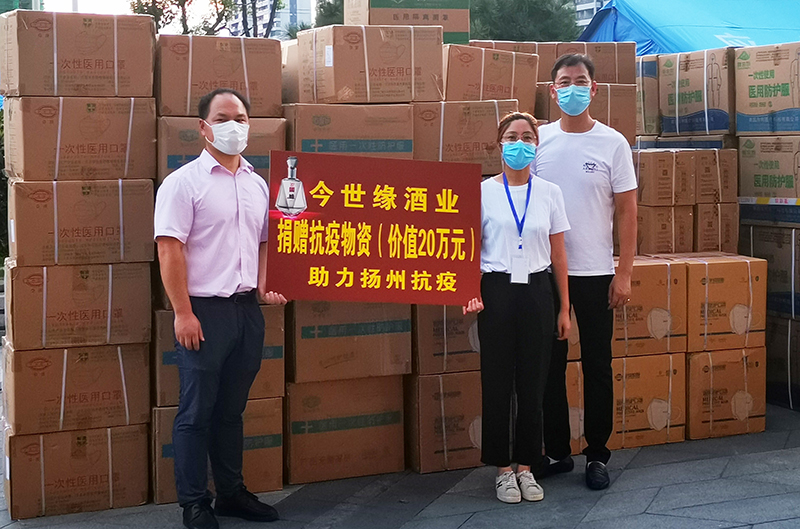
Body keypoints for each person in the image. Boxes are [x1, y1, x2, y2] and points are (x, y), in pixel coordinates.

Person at [155, 88, 287, 529]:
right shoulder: (183, 183)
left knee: (231, 411)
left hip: (246, 312)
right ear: (203, 127)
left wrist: (266, 285)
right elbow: (169, 249)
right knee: (196, 413)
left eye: (241, 119)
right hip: (203, 313)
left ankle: (231, 493)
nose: (234, 126)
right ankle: (195, 502)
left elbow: (264, 242)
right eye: (223, 118)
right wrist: (183, 312)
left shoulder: (257, 184)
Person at [535, 54, 638, 490]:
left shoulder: (612, 143)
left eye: (581, 81)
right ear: (552, 90)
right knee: (549, 367)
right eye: (564, 82)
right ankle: (557, 452)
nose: (572, 89)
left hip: (596, 272)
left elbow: (628, 211)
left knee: (597, 364)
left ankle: (597, 454)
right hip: (545, 272)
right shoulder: (538, 140)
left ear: (593, 89)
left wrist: (624, 273)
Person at [464, 112, 571, 504]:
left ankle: (527, 466)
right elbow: (468, 247)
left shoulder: (550, 192)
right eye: (512, 137)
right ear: (499, 145)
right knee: (496, 382)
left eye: (527, 137)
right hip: (497, 289)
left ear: (536, 145)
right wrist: (470, 290)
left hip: (538, 291)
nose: (519, 144)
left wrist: (564, 308)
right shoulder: (481, 192)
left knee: (533, 383)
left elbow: (559, 255)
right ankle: (502, 470)